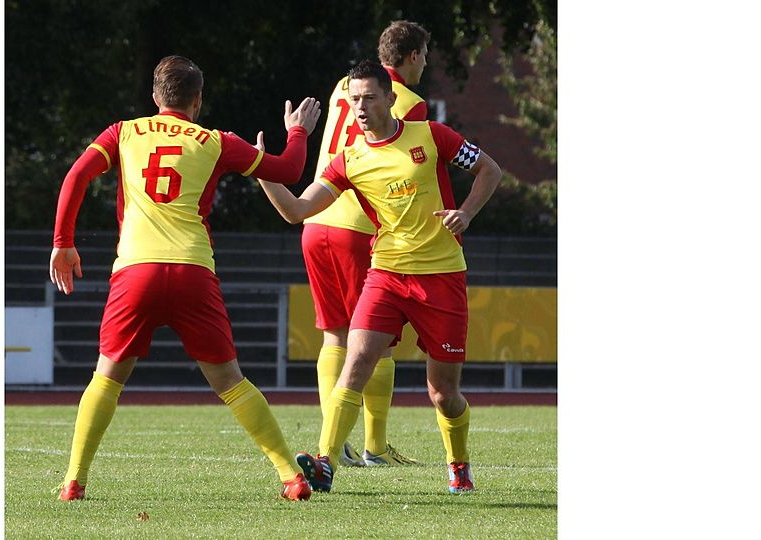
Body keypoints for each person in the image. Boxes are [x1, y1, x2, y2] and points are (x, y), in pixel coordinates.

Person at [49, 55, 322, 502]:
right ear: (197, 101)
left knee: (107, 377)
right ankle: (290, 475)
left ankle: (74, 481)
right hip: (193, 270)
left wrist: (63, 241)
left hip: (136, 270)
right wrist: (297, 131)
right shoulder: (216, 141)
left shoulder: (124, 132)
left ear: (155, 97)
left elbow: (77, 175)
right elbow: (290, 171)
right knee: (231, 381)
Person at [255, 60, 502, 495]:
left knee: (443, 393)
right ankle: (325, 461)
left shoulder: (431, 135)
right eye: (354, 100)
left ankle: (458, 464)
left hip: (441, 277)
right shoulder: (349, 161)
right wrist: (260, 167)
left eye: (370, 97)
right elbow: (296, 210)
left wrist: (466, 212)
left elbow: (490, 170)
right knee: (356, 363)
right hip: (385, 274)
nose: (362, 107)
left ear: (391, 98)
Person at [299, 20, 432, 468]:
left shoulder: (344, 85)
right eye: (425, 55)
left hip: (316, 218)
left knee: (334, 335)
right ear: (413, 57)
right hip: (358, 225)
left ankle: (331, 444)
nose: (426, 64)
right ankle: (375, 447)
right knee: (380, 342)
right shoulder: (409, 103)